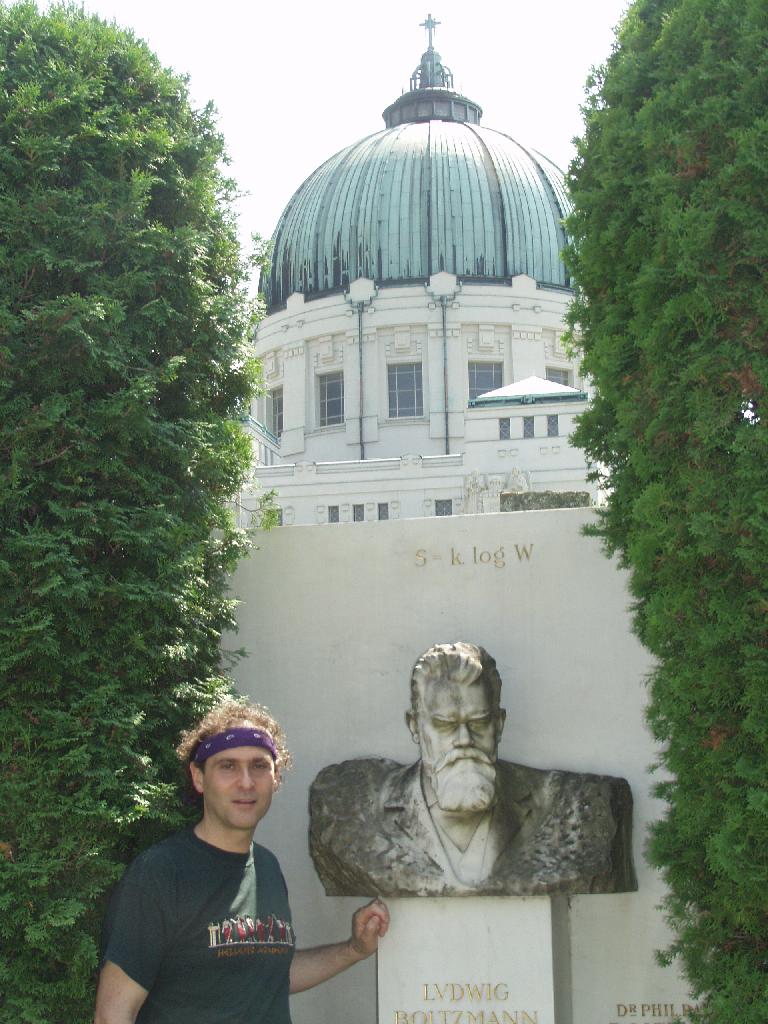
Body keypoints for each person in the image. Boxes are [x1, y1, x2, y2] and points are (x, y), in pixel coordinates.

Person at [94, 700, 389, 1023]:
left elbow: (271, 975)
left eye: (259, 766)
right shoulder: (161, 873)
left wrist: (353, 949)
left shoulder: (267, 868)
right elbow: (114, 1014)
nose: (246, 782)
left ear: (275, 778)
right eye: (228, 766)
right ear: (198, 777)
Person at [310, 641, 635, 897]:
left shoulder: (569, 807)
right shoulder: (362, 811)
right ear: (415, 726)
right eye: (445, 724)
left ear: (499, 724)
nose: (464, 740)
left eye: (478, 723)